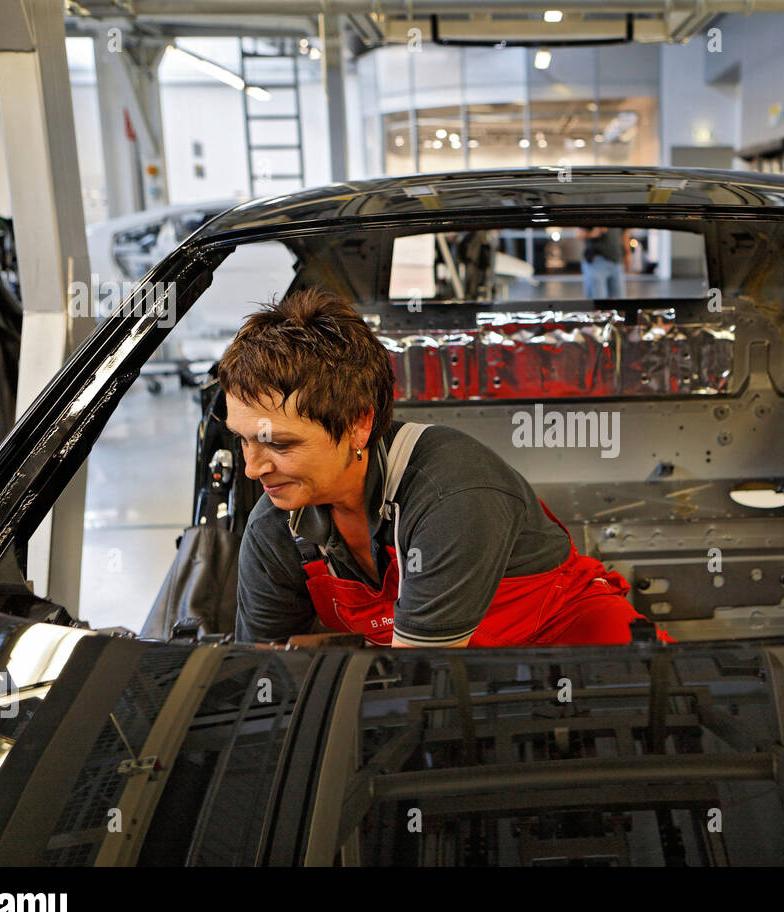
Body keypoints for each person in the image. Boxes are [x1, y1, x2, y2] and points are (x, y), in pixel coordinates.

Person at [221, 288, 670, 648]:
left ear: (359, 423)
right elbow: (264, 672)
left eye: (278, 443)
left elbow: (419, 675)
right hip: (439, 677)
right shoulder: (275, 530)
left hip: (581, 651)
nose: (252, 468)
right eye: (241, 439)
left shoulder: (453, 493)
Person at [577, 227, 630, 298]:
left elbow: (624, 234)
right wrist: (593, 233)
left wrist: (627, 254)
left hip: (616, 262)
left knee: (619, 300)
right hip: (597, 262)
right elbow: (579, 234)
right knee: (599, 301)